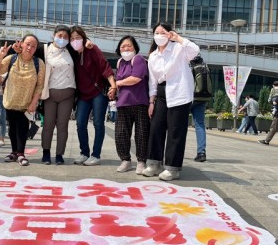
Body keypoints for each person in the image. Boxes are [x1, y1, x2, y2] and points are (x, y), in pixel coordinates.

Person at [143, 22, 200, 181]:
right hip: (161, 93)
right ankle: (154, 163)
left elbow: (195, 51)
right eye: (157, 32)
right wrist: (151, 101)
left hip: (179, 93)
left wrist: (178, 38)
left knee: (176, 131)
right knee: (156, 128)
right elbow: (152, 80)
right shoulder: (153, 55)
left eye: (163, 32)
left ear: (169, 34)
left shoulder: (179, 49)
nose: (159, 35)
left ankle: (172, 168)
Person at [0, 34, 45, 166]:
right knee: (12, 129)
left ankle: (21, 153)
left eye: (33, 46)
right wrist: (1, 55)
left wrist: (34, 102)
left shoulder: (39, 63)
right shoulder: (11, 59)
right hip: (10, 100)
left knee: (22, 128)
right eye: (27, 44)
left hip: (26, 103)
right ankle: (14, 152)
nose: (30, 48)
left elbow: (40, 86)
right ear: (21, 44)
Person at [71, 25, 116, 166]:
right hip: (83, 95)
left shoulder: (92, 49)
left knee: (98, 123)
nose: (75, 41)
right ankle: (84, 153)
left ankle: (96, 155)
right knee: (80, 123)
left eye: (78, 38)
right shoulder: (72, 53)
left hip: (98, 93)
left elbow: (105, 67)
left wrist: (113, 85)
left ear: (84, 38)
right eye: (72, 39)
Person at [37, 25, 77, 165]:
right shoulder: (44, 49)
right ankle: (46, 153)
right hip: (49, 94)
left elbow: (82, 40)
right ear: (53, 35)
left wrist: (88, 42)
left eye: (66, 37)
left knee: (62, 125)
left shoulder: (72, 50)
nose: (62, 39)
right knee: (47, 124)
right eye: (60, 36)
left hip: (68, 92)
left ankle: (60, 154)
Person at [113, 35, 150, 174]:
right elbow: (118, 82)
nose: (126, 48)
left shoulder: (139, 59)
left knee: (141, 133)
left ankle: (141, 161)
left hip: (139, 101)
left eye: (129, 45)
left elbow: (136, 78)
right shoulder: (119, 62)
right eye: (123, 46)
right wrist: (114, 88)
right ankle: (125, 160)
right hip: (123, 102)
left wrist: (119, 83)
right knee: (121, 132)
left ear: (135, 47)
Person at [189, 55, 210, 162]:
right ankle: (201, 153)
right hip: (202, 97)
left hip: (190, 97)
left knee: (179, 125)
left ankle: (177, 151)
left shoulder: (188, 63)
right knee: (200, 125)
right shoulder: (203, 63)